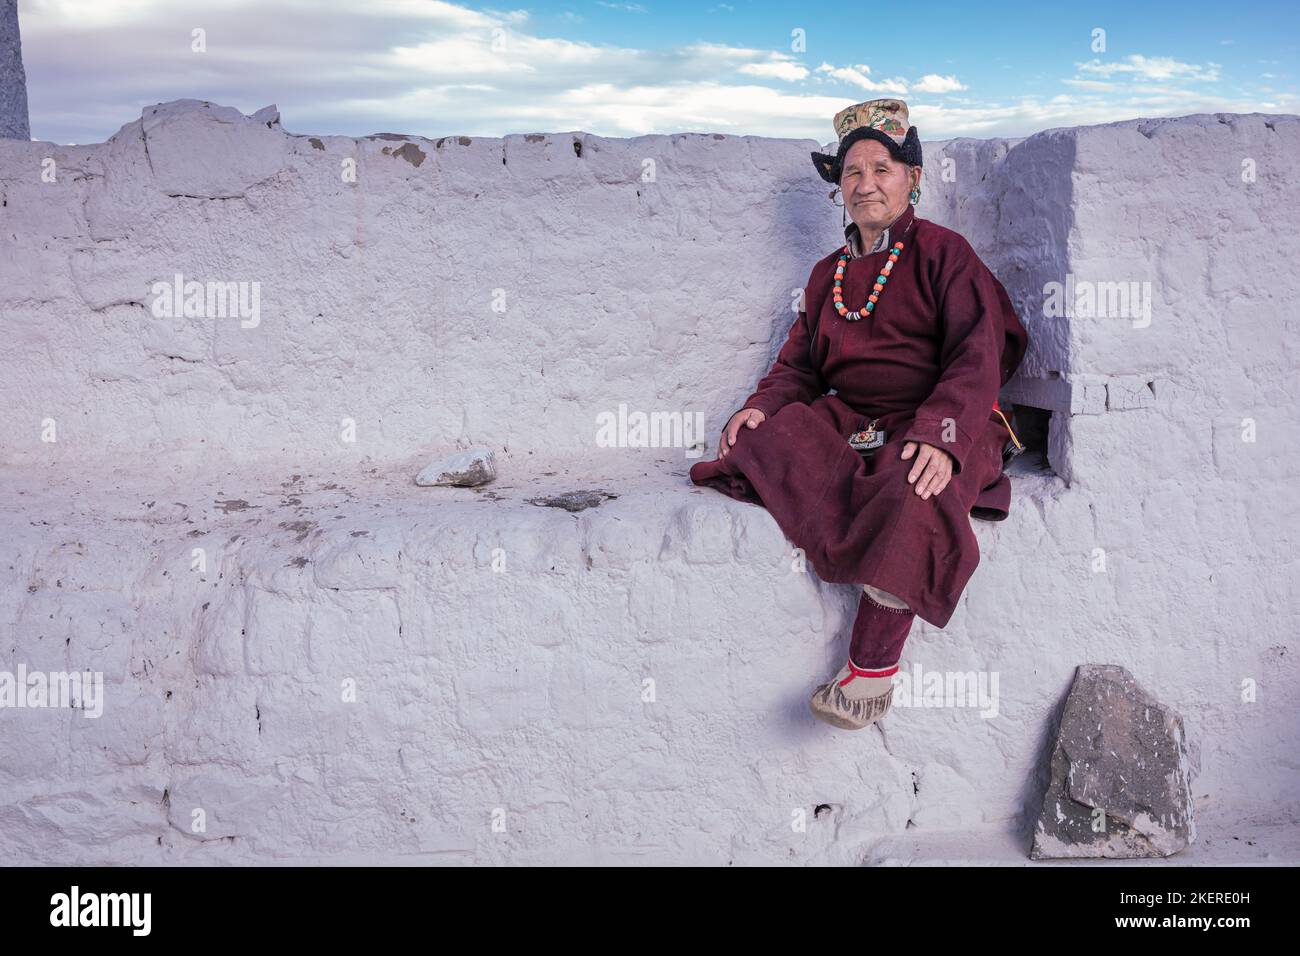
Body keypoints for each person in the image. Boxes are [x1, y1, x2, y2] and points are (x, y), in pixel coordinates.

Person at [688, 99, 1029, 731]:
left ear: (913, 179)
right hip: (857, 421)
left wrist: (941, 433)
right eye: (852, 172)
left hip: (944, 415)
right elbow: (800, 365)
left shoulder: (944, 253)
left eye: (882, 168)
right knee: (768, 440)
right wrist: (761, 407)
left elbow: (978, 353)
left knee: (915, 485)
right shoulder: (828, 275)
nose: (865, 183)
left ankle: (870, 670)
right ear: (838, 187)